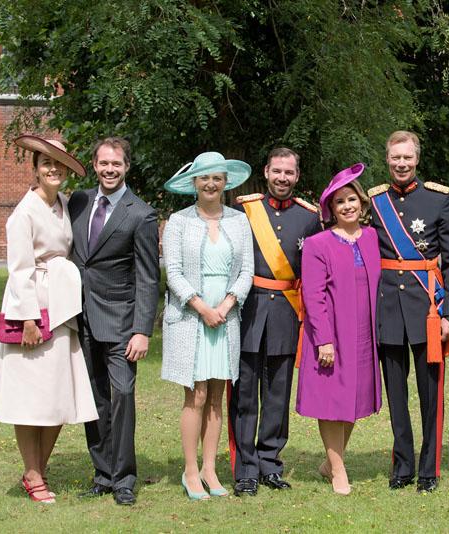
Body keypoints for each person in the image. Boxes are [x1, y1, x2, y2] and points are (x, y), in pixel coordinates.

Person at [0, 135, 97, 504]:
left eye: (59, 163)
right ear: (35, 169)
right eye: (45, 163)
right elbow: (19, 269)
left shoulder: (65, 205)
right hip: (33, 307)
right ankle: (33, 474)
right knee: (30, 395)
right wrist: (29, 320)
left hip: (63, 307)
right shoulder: (24, 212)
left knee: (56, 393)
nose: (53, 169)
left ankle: (38, 467)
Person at [367, 131, 449, 493]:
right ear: (387, 159)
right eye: (395, 158)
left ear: (417, 159)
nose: (401, 164)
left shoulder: (438, 200)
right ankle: (402, 465)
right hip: (389, 307)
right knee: (397, 394)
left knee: (430, 394)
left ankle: (429, 468)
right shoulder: (374, 202)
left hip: (428, 308)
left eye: (407, 157)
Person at [69, 137, 161, 506]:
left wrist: (142, 330)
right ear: (94, 165)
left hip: (122, 321)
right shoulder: (78, 201)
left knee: (122, 397)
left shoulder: (141, 213)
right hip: (81, 317)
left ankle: (124, 478)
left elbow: (148, 277)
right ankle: (102, 473)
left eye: (117, 164)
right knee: (95, 399)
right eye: (104, 163)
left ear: (126, 168)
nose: (110, 169)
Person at [161, 152, 254, 500]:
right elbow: (173, 273)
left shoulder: (238, 221)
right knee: (196, 394)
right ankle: (189, 470)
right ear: (194, 183)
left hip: (226, 316)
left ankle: (210, 469)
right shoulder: (179, 221)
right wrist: (201, 307)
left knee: (217, 396)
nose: (210, 184)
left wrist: (227, 305)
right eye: (204, 178)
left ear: (225, 182)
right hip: (192, 316)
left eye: (216, 178)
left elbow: (246, 270)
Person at [229, 147, 321, 496]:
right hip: (249, 311)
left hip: (286, 311)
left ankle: (270, 464)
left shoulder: (309, 217)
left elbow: (312, 271)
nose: (283, 178)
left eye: (290, 172)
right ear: (266, 171)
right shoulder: (243, 209)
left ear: (297, 176)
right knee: (246, 395)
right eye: (277, 171)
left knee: (278, 395)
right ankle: (245, 469)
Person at [296, 164, 382, 495]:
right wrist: (324, 341)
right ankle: (338, 469)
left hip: (364, 333)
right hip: (332, 333)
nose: (347, 206)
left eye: (351, 200)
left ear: (361, 203)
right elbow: (313, 296)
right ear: (331, 209)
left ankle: (330, 461)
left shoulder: (373, 238)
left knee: (354, 399)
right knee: (333, 401)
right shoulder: (319, 244)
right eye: (339, 202)